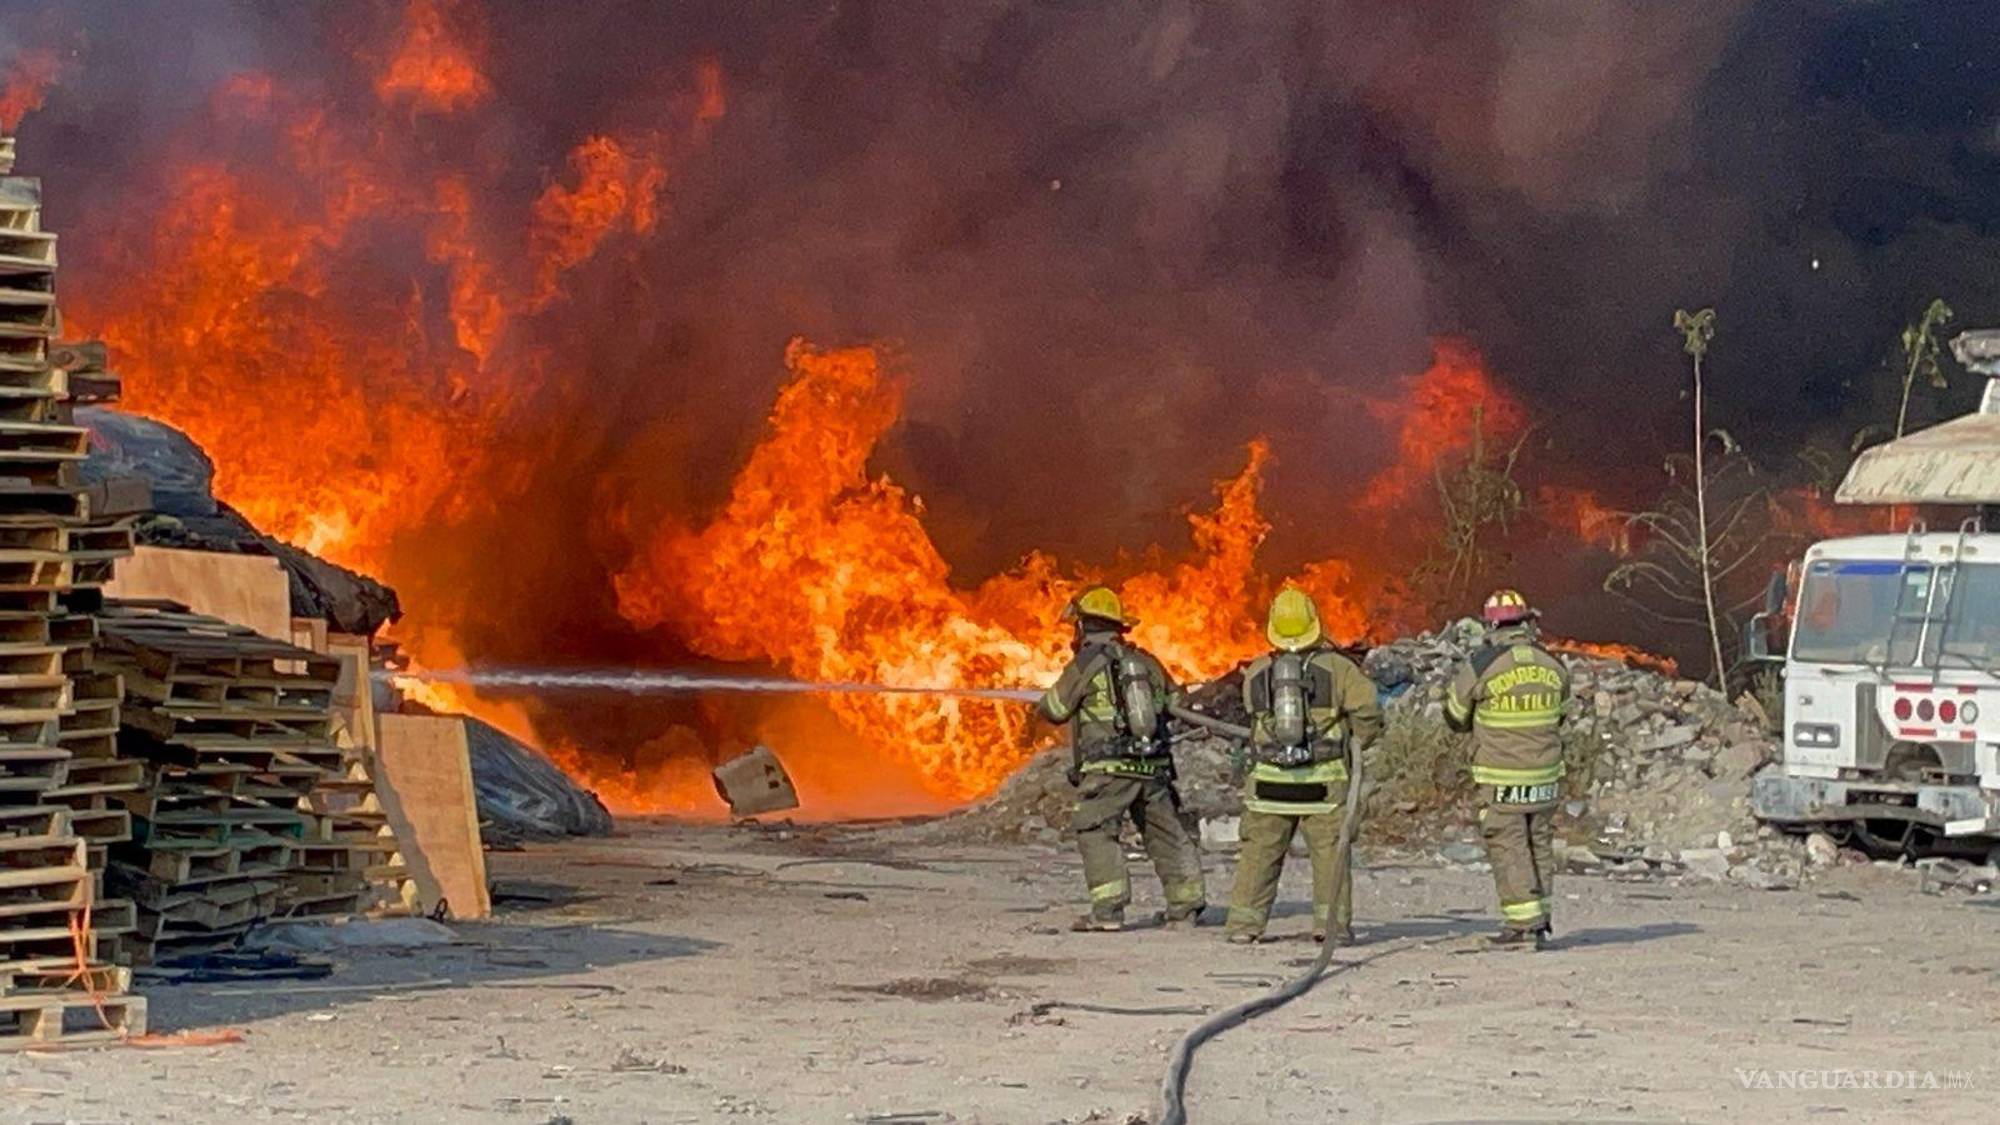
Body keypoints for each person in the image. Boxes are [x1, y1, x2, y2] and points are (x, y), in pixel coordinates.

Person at [1037, 586, 1206, 932]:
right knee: (1165, 833)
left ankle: (1108, 912)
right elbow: (1176, 703)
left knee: (1095, 828)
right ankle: (1186, 907)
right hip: (1153, 766)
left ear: (1083, 626)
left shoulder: (1086, 663)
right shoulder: (1146, 662)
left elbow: (1053, 709)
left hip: (1108, 769)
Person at [1224, 588, 1382, 945]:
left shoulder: (1258, 671)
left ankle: (1244, 926)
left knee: (1258, 855)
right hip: (1323, 786)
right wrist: (1354, 741)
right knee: (1330, 856)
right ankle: (1330, 928)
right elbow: (1368, 712)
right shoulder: (1340, 669)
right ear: (1315, 624)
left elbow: (1252, 716)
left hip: (1267, 786)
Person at [1445, 589, 1571, 950]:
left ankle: (1522, 926)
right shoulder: (1552, 665)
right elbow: (1561, 714)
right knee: (1539, 843)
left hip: (1501, 777)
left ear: (1491, 625)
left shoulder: (1483, 665)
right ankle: (1541, 920)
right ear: (1526, 622)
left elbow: (1455, 717)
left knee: (1509, 845)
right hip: (1545, 774)